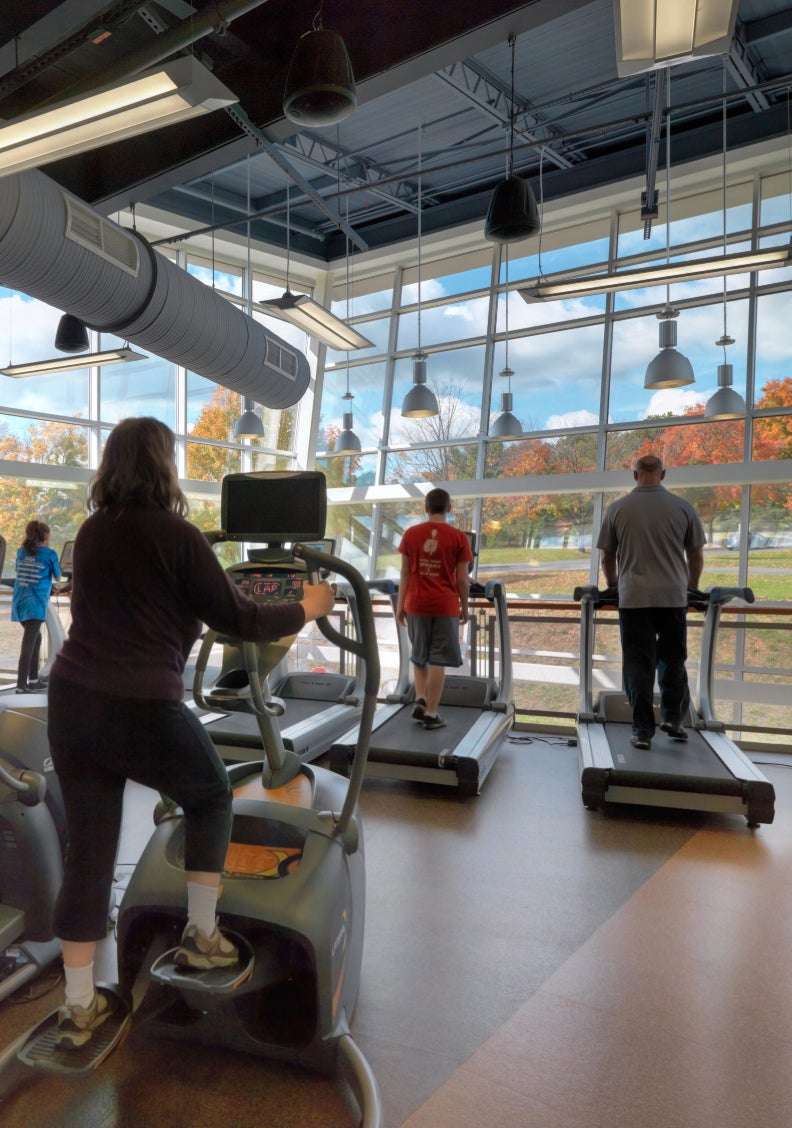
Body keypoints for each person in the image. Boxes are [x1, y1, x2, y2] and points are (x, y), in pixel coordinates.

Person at [47, 417, 335, 1050]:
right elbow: (239, 616)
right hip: (139, 704)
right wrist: (308, 608)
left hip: (72, 703)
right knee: (209, 794)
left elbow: (129, 606)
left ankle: (78, 1004)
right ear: (163, 465)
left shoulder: (92, 533)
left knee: (89, 852)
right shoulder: (177, 535)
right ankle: (203, 937)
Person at [596, 453, 706, 751]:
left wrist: (613, 585)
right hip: (672, 596)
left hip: (633, 598)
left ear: (635, 475)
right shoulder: (683, 507)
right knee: (673, 658)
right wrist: (691, 588)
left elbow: (607, 556)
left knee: (637, 663)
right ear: (663, 474)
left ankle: (643, 731)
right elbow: (695, 554)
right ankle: (673, 718)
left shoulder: (617, 509)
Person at [396, 488, 472, 730]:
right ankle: (431, 712)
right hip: (445, 605)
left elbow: (405, 574)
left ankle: (420, 696)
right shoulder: (459, 537)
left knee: (419, 656)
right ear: (449, 508)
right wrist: (465, 607)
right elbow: (462, 579)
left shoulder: (411, 534)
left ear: (425, 507)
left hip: (416, 604)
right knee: (438, 659)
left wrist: (400, 606)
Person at [11, 519, 60, 693]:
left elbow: (21, 572)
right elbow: (57, 575)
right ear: (45, 537)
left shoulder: (21, 552)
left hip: (20, 601)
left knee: (36, 638)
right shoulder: (49, 554)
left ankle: (32, 679)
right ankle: (21, 685)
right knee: (28, 644)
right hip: (36, 603)